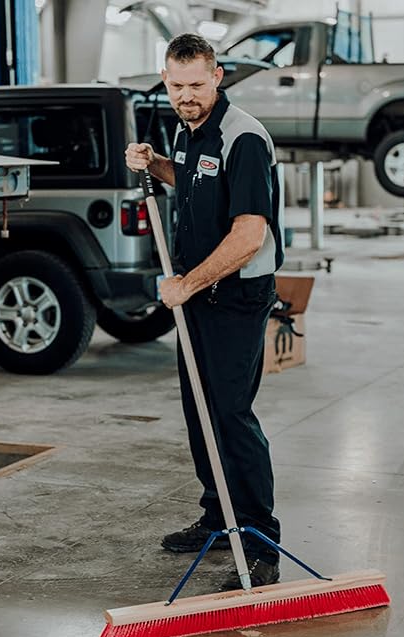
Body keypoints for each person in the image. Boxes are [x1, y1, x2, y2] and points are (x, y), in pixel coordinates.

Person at [125, 33, 284, 589]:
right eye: (176, 86)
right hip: (196, 295)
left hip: (236, 295)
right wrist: (156, 163)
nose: (186, 96)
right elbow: (195, 177)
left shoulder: (244, 137)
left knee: (231, 415)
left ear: (218, 76)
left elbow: (249, 235)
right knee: (200, 408)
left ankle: (260, 542)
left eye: (196, 84)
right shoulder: (188, 129)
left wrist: (186, 283)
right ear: (164, 80)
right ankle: (219, 516)